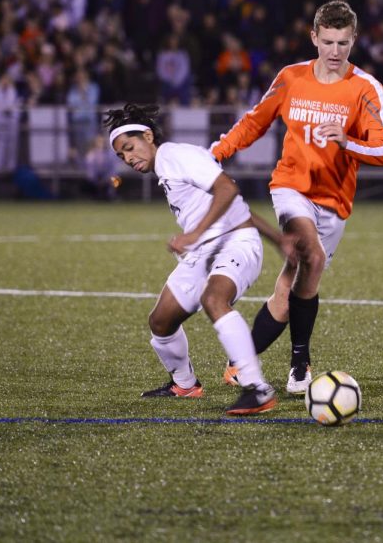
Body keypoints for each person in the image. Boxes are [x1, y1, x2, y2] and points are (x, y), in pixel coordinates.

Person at [210, 0, 383, 394]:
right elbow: (255, 121)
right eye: (327, 41)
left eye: (343, 43)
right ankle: (300, 365)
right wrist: (217, 153)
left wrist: (349, 141)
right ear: (314, 37)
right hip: (291, 188)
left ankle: (242, 362)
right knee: (309, 252)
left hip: (335, 202)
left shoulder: (365, 89)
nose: (334, 51)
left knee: (291, 287)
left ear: (354, 40)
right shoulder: (291, 78)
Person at [105, 103, 289, 415]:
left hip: (234, 244)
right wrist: (278, 239)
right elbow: (233, 203)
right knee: (161, 321)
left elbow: (227, 189)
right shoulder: (166, 166)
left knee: (214, 299)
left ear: (148, 135)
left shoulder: (176, 156)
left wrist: (193, 234)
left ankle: (258, 389)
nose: (129, 159)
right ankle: (185, 385)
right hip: (206, 249)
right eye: (122, 156)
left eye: (129, 147)